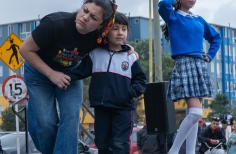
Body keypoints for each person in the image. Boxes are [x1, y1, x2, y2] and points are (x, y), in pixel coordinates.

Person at [18, 0, 130, 153]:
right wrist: (52, 74)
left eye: (93, 18)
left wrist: (129, 49)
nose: (85, 17)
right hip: (39, 74)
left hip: (71, 73)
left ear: (100, 26)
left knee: (71, 116)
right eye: (85, 10)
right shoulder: (55, 24)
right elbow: (25, 50)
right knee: (45, 122)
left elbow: (114, 43)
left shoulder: (97, 37)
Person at [66, 12, 146, 154]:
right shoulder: (95, 54)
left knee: (119, 143)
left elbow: (140, 80)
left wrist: (129, 93)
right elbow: (81, 71)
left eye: (124, 29)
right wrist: (61, 76)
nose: (120, 33)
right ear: (106, 31)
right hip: (101, 107)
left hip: (123, 108)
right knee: (101, 141)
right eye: (115, 28)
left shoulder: (130, 57)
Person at [158, 0, 221, 153]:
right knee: (195, 112)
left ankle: (190, 151)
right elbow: (162, 4)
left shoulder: (198, 19)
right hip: (184, 64)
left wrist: (210, 56)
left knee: (193, 115)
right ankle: (173, 150)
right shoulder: (173, 16)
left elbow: (216, 38)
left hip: (199, 65)